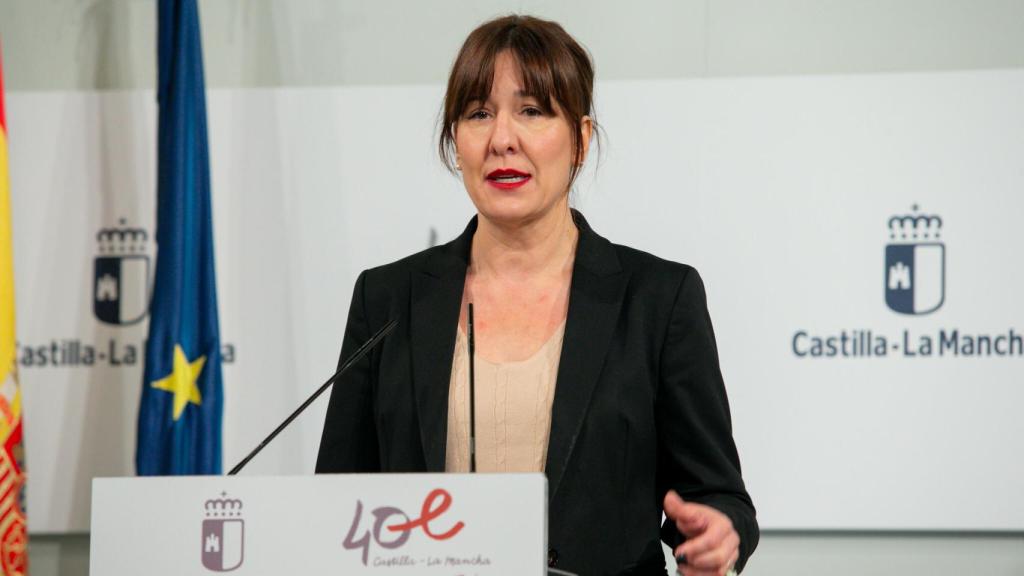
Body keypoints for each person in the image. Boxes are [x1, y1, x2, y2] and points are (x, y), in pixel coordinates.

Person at [316, 14, 758, 576]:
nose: (503, 138)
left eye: (532, 110)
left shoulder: (658, 299)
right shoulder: (386, 300)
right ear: (456, 141)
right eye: (479, 113)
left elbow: (720, 496)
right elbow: (335, 504)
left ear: (580, 139)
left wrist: (719, 533)